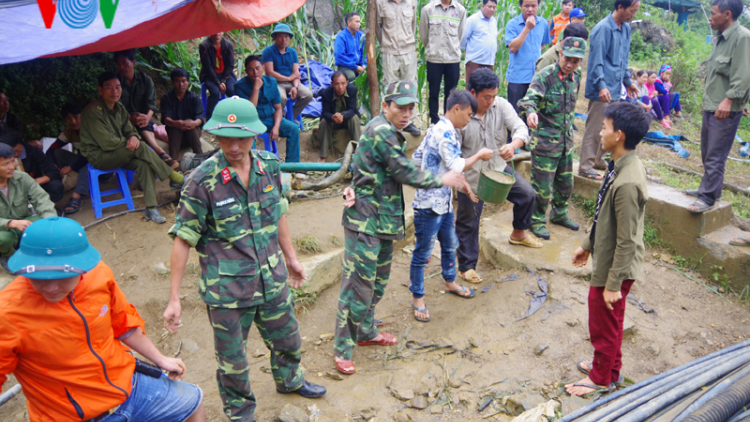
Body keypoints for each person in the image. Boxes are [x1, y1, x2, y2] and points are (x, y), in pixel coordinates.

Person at [163, 97, 326, 422]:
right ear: (216, 136)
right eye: (226, 138)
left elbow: (278, 214)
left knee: (288, 337)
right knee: (232, 363)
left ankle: (289, 379)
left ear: (255, 135)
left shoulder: (269, 166)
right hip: (227, 293)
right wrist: (173, 299)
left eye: (241, 137)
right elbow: (183, 240)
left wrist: (291, 259)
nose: (234, 145)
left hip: (271, 279)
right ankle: (241, 413)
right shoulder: (202, 181)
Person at [0, 216, 206, 422]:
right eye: (40, 277)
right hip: (70, 413)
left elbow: (123, 323)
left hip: (125, 385)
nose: (51, 287)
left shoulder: (99, 275)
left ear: (82, 266)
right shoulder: (8, 311)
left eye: (62, 275)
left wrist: (160, 359)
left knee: (192, 404)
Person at [334, 81, 466, 375]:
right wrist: (441, 180)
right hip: (365, 221)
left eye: (410, 108)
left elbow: (366, 167)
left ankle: (366, 331)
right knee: (358, 286)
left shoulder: (389, 131)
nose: (406, 113)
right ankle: (342, 348)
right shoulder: (381, 131)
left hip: (383, 219)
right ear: (385, 106)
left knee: (378, 282)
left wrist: (353, 185)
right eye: (400, 107)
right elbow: (401, 170)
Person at [566, 102, 651, 397]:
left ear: (619, 136)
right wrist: (587, 245)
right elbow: (604, 213)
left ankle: (600, 377)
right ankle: (610, 369)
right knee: (611, 320)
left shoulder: (627, 182)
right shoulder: (620, 165)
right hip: (609, 257)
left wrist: (613, 284)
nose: (600, 132)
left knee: (602, 320)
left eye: (605, 127)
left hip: (616, 267)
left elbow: (627, 239)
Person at [409, 90, 493, 322]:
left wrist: (452, 180)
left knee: (449, 244)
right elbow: (456, 164)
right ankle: (418, 297)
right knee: (423, 253)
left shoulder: (437, 128)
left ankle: (449, 281)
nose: (469, 120)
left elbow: (417, 158)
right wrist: (478, 156)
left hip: (442, 202)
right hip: (429, 204)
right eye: (468, 114)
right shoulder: (446, 131)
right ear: (456, 109)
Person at [455, 68, 541, 285]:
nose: (491, 101)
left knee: (527, 194)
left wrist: (514, 145)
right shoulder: (460, 113)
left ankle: (519, 233)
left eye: (494, 95)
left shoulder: (500, 105)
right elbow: (452, 155)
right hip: (471, 177)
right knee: (469, 221)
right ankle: (467, 266)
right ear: (472, 92)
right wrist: (461, 180)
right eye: (486, 97)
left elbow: (520, 128)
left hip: (498, 168)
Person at [80, 71, 185, 224]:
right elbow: (107, 143)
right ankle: (174, 177)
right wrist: (132, 141)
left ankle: (151, 208)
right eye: (109, 88)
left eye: (117, 87)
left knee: (143, 163)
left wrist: (134, 136)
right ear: (100, 90)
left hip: (118, 153)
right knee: (141, 147)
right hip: (100, 156)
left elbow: (129, 129)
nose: (115, 91)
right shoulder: (93, 111)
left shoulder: (120, 108)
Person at [519, 37, 586, 240]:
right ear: (560, 54)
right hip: (546, 142)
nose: (570, 64)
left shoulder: (576, 76)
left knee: (566, 184)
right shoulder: (545, 76)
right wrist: (530, 112)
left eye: (575, 61)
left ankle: (559, 214)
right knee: (542, 187)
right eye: (567, 59)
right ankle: (536, 219)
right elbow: (527, 101)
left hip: (565, 141)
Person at [687, 0, 750, 214]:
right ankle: (712, 190)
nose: (710, 17)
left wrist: (731, 100)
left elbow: (743, 73)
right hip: (713, 103)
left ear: (727, 14)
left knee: (715, 154)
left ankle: (708, 197)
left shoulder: (741, 37)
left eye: (713, 14)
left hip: (725, 107)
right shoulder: (721, 38)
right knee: (707, 151)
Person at [579, 0, 640, 180]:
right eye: (632, 10)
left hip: (615, 86)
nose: (633, 15)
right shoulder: (603, 28)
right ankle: (585, 166)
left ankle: (599, 160)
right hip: (602, 88)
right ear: (620, 7)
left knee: (610, 125)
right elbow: (596, 61)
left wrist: (628, 81)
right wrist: (602, 86)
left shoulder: (626, 28)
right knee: (595, 125)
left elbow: (624, 58)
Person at [114, 49, 178, 169]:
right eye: (118, 64)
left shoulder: (145, 80)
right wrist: (129, 118)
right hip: (124, 121)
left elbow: (151, 104)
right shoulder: (116, 83)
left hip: (144, 120)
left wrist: (147, 116)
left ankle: (158, 154)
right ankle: (160, 152)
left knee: (143, 123)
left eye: (124, 63)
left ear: (133, 63)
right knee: (137, 127)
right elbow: (117, 107)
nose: (121, 67)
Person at [0, 143, 56, 272]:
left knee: (45, 222)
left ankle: (28, 249)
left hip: (24, 223)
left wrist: (50, 219)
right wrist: (11, 223)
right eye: (5, 164)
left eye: (12, 161)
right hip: (4, 230)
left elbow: (41, 199)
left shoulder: (22, 178)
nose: (11, 167)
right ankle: (8, 255)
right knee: (3, 239)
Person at [236, 55, 301, 162]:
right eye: (251, 69)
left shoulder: (272, 82)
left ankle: (292, 165)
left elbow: (278, 108)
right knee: (248, 135)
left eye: (257, 68)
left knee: (293, 129)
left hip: (269, 118)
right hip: (251, 121)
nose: (255, 72)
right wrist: (256, 88)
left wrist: (276, 126)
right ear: (246, 71)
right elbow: (249, 109)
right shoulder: (239, 86)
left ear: (263, 68)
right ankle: (252, 166)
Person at [376, 0, 422, 136]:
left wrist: (408, 43)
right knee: (389, 87)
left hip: (408, 50)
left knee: (410, 86)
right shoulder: (381, 3)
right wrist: (385, 43)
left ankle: (408, 123)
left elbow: (413, 25)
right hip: (389, 52)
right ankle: (389, 122)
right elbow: (378, 28)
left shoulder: (411, 2)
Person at [420, 0, 466, 124]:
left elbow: (459, 35)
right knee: (433, 92)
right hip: (434, 58)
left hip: (453, 59)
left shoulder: (460, 10)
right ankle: (434, 120)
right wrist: (431, 48)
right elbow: (424, 35)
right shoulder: (428, 9)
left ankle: (447, 120)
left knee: (450, 93)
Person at [505, 0, 551, 115]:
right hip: (517, 78)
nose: (530, 9)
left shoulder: (543, 23)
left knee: (533, 115)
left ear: (538, 6)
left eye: (533, 6)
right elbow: (513, 47)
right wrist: (527, 28)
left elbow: (543, 45)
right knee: (515, 116)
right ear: (520, 6)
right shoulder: (512, 24)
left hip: (536, 78)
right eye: (526, 6)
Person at [262, 24, 313, 120]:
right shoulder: (268, 51)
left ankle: (290, 117)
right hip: (275, 83)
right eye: (280, 36)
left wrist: (295, 86)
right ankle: (278, 120)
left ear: (289, 38)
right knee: (281, 98)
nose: (283, 39)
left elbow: (296, 73)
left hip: (291, 83)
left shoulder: (292, 52)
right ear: (275, 37)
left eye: (286, 36)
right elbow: (270, 73)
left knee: (308, 95)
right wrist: (289, 78)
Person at [47, 103, 91, 215]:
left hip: (100, 162)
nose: (73, 121)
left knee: (88, 161)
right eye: (69, 118)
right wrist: (54, 167)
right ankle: (60, 181)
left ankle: (77, 195)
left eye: (76, 117)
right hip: (82, 162)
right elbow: (50, 151)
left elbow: (90, 154)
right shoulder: (69, 132)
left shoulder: (91, 129)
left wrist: (70, 167)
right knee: (58, 152)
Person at [1, 129, 63, 204]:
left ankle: (45, 207)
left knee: (56, 186)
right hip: (10, 192)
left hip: (34, 186)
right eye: (11, 152)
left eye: (18, 150)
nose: (15, 154)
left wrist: (33, 182)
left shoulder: (33, 151)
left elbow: (54, 172)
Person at [161, 68, 204, 160]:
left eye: (183, 81)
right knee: (176, 128)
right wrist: (175, 123)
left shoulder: (195, 98)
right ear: (172, 82)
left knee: (189, 123)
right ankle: (174, 160)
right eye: (177, 81)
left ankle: (200, 157)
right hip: (175, 138)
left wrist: (194, 123)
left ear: (188, 82)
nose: (181, 84)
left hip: (193, 135)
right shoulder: (166, 98)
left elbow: (200, 118)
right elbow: (165, 118)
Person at [318, 71, 362, 162]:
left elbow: (352, 109)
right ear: (332, 84)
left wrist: (342, 115)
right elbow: (325, 113)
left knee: (354, 118)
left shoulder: (352, 90)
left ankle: (359, 152)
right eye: (337, 84)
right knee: (324, 122)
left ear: (347, 82)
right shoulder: (326, 93)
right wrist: (332, 117)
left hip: (347, 119)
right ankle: (323, 155)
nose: (340, 87)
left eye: (343, 83)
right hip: (333, 121)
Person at [460, 0, 498, 89]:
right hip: (475, 61)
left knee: (488, 89)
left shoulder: (494, 21)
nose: (492, 9)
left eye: (494, 7)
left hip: (489, 62)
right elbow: (463, 38)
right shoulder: (473, 20)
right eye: (489, 6)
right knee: (472, 89)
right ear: (483, 6)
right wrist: (468, 50)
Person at [199, 33, 237, 120]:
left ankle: (235, 116)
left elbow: (230, 65)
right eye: (214, 30)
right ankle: (209, 119)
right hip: (210, 75)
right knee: (215, 93)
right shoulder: (204, 46)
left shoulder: (228, 45)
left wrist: (223, 80)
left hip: (226, 74)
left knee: (232, 90)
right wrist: (218, 82)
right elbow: (207, 67)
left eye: (219, 29)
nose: (217, 32)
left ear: (223, 31)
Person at [335, 12, 368, 82]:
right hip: (345, 65)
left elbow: (364, 53)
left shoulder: (361, 36)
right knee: (351, 77)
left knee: (369, 75)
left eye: (359, 22)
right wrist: (355, 67)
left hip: (359, 65)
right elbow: (340, 56)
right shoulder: (341, 37)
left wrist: (364, 65)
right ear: (349, 23)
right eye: (356, 22)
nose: (359, 24)